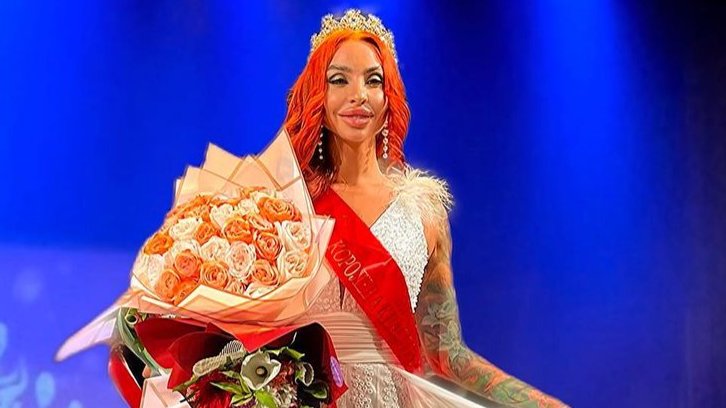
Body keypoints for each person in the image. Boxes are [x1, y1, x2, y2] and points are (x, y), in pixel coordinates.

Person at [284, 9, 569, 408]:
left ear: (389, 98)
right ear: (318, 95)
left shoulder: (422, 211)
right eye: (339, 79)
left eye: (373, 80)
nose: (358, 94)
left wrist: (539, 403)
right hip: (306, 395)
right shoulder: (287, 205)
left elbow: (446, 354)